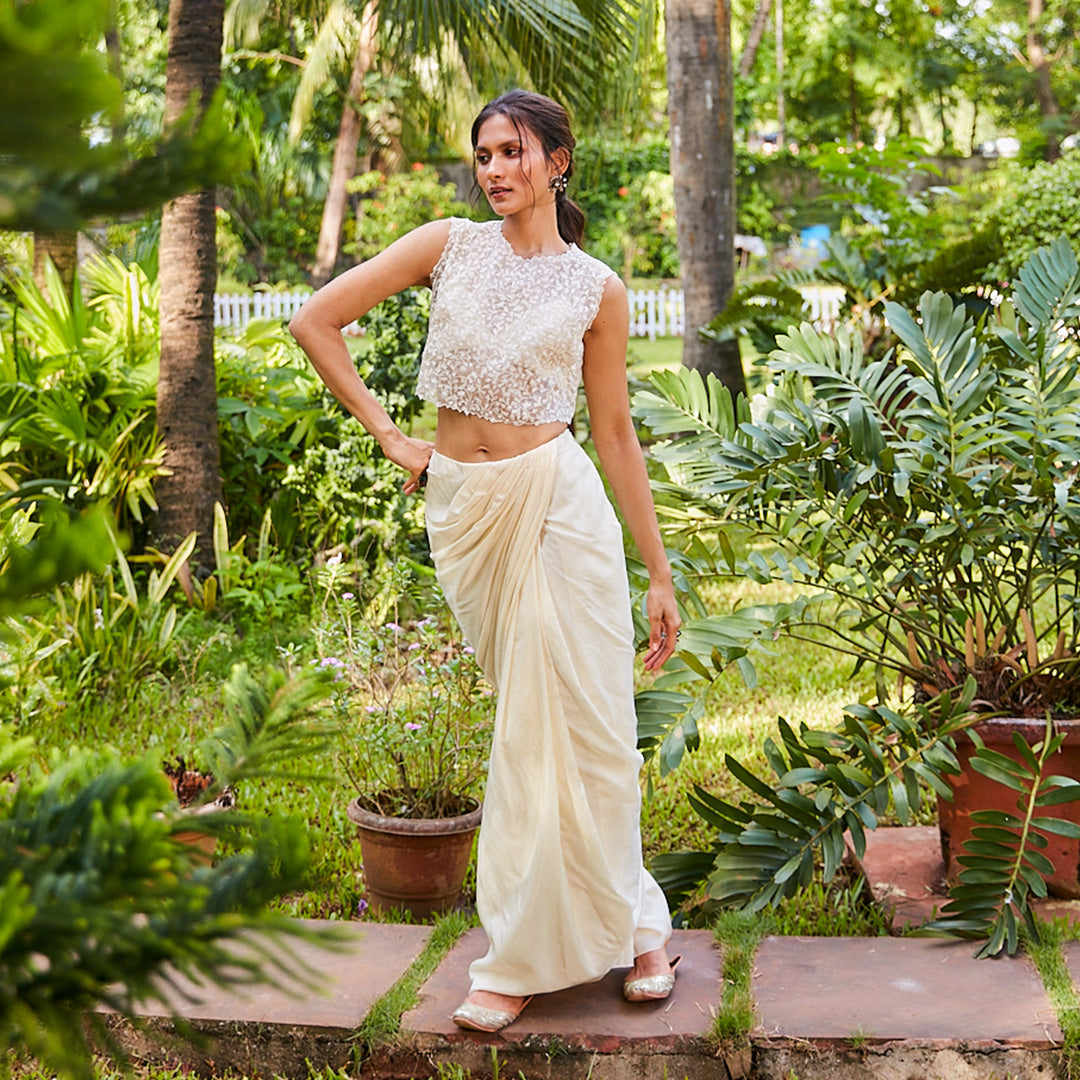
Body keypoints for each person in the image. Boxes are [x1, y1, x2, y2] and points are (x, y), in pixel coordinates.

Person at [290, 89, 681, 1033]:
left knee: (579, 724)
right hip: (468, 513)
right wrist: (387, 433)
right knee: (530, 716)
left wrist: (659, 571)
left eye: (514, 151)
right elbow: (314, 320)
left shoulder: (598, 288)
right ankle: (625, 924)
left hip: (559, 505)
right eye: (485, 155)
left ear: (558, 160)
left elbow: (617, 432)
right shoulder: (446, 246)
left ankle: (545, 954)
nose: (496, 169)